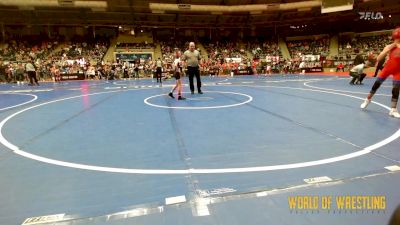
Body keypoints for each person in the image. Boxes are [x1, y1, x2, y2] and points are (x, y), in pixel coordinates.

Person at [360, 27, 400, 118]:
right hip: (387, 69)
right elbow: (378, 58)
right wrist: (389, 48)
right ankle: (367, 99)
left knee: (396, 89)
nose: (397, 40)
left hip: (398, 71)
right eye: (396, 38)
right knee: (376, 84)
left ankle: (393, 109)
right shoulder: (389, 46)